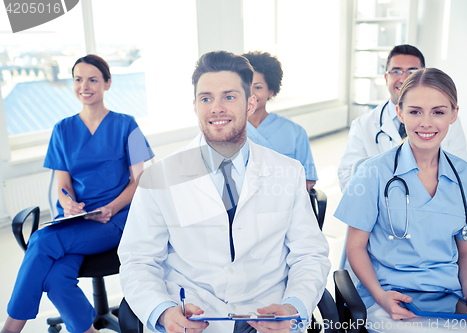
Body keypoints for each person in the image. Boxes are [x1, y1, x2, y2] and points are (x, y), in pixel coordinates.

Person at [118, 50, 330, 333]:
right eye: (206, 98)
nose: (216, 108)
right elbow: (138, 260)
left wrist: (294, 306)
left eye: (229, 97)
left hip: (268, 318)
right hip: (194, 320)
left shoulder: (288, 172)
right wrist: (163, 312)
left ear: (250, 103)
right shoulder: (159, 178)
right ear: (195, 106)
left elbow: (309, 254)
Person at [2, 55, 154, 333]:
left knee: (41, 240)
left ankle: (10, 329)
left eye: (93, 79)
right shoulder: (62, 129)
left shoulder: (127, 124)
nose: (85, 85)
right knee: (57, 278)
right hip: (76, 220)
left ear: (107, 83)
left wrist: (111, 207)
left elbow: (139, 180)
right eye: (78, 79)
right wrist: (68, 203)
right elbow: (63, 185)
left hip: (115, 218)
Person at [334, 68, 467, 332]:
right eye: (415, 111)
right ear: (400, 113)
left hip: (448, 298)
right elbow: (355, 248)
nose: (426, 123)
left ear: (454, 114)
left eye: (439, 112)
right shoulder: (373, 173)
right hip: (388, 297)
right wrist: (380, 296)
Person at [338, 44, 467, 192]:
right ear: (386, 77)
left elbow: (464, 173)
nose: (404, 78)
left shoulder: (447, 120)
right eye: (396, 71)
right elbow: (348, 176)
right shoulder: (363, 125)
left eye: (412, 71)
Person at [242, 51, 318, 191]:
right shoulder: (228, 130)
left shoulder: (295, 132)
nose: (250, 93)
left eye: (258, 87)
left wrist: (281, 199)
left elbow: (308, 178)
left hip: (285, 204)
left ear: (270, 91)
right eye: (245, 86)